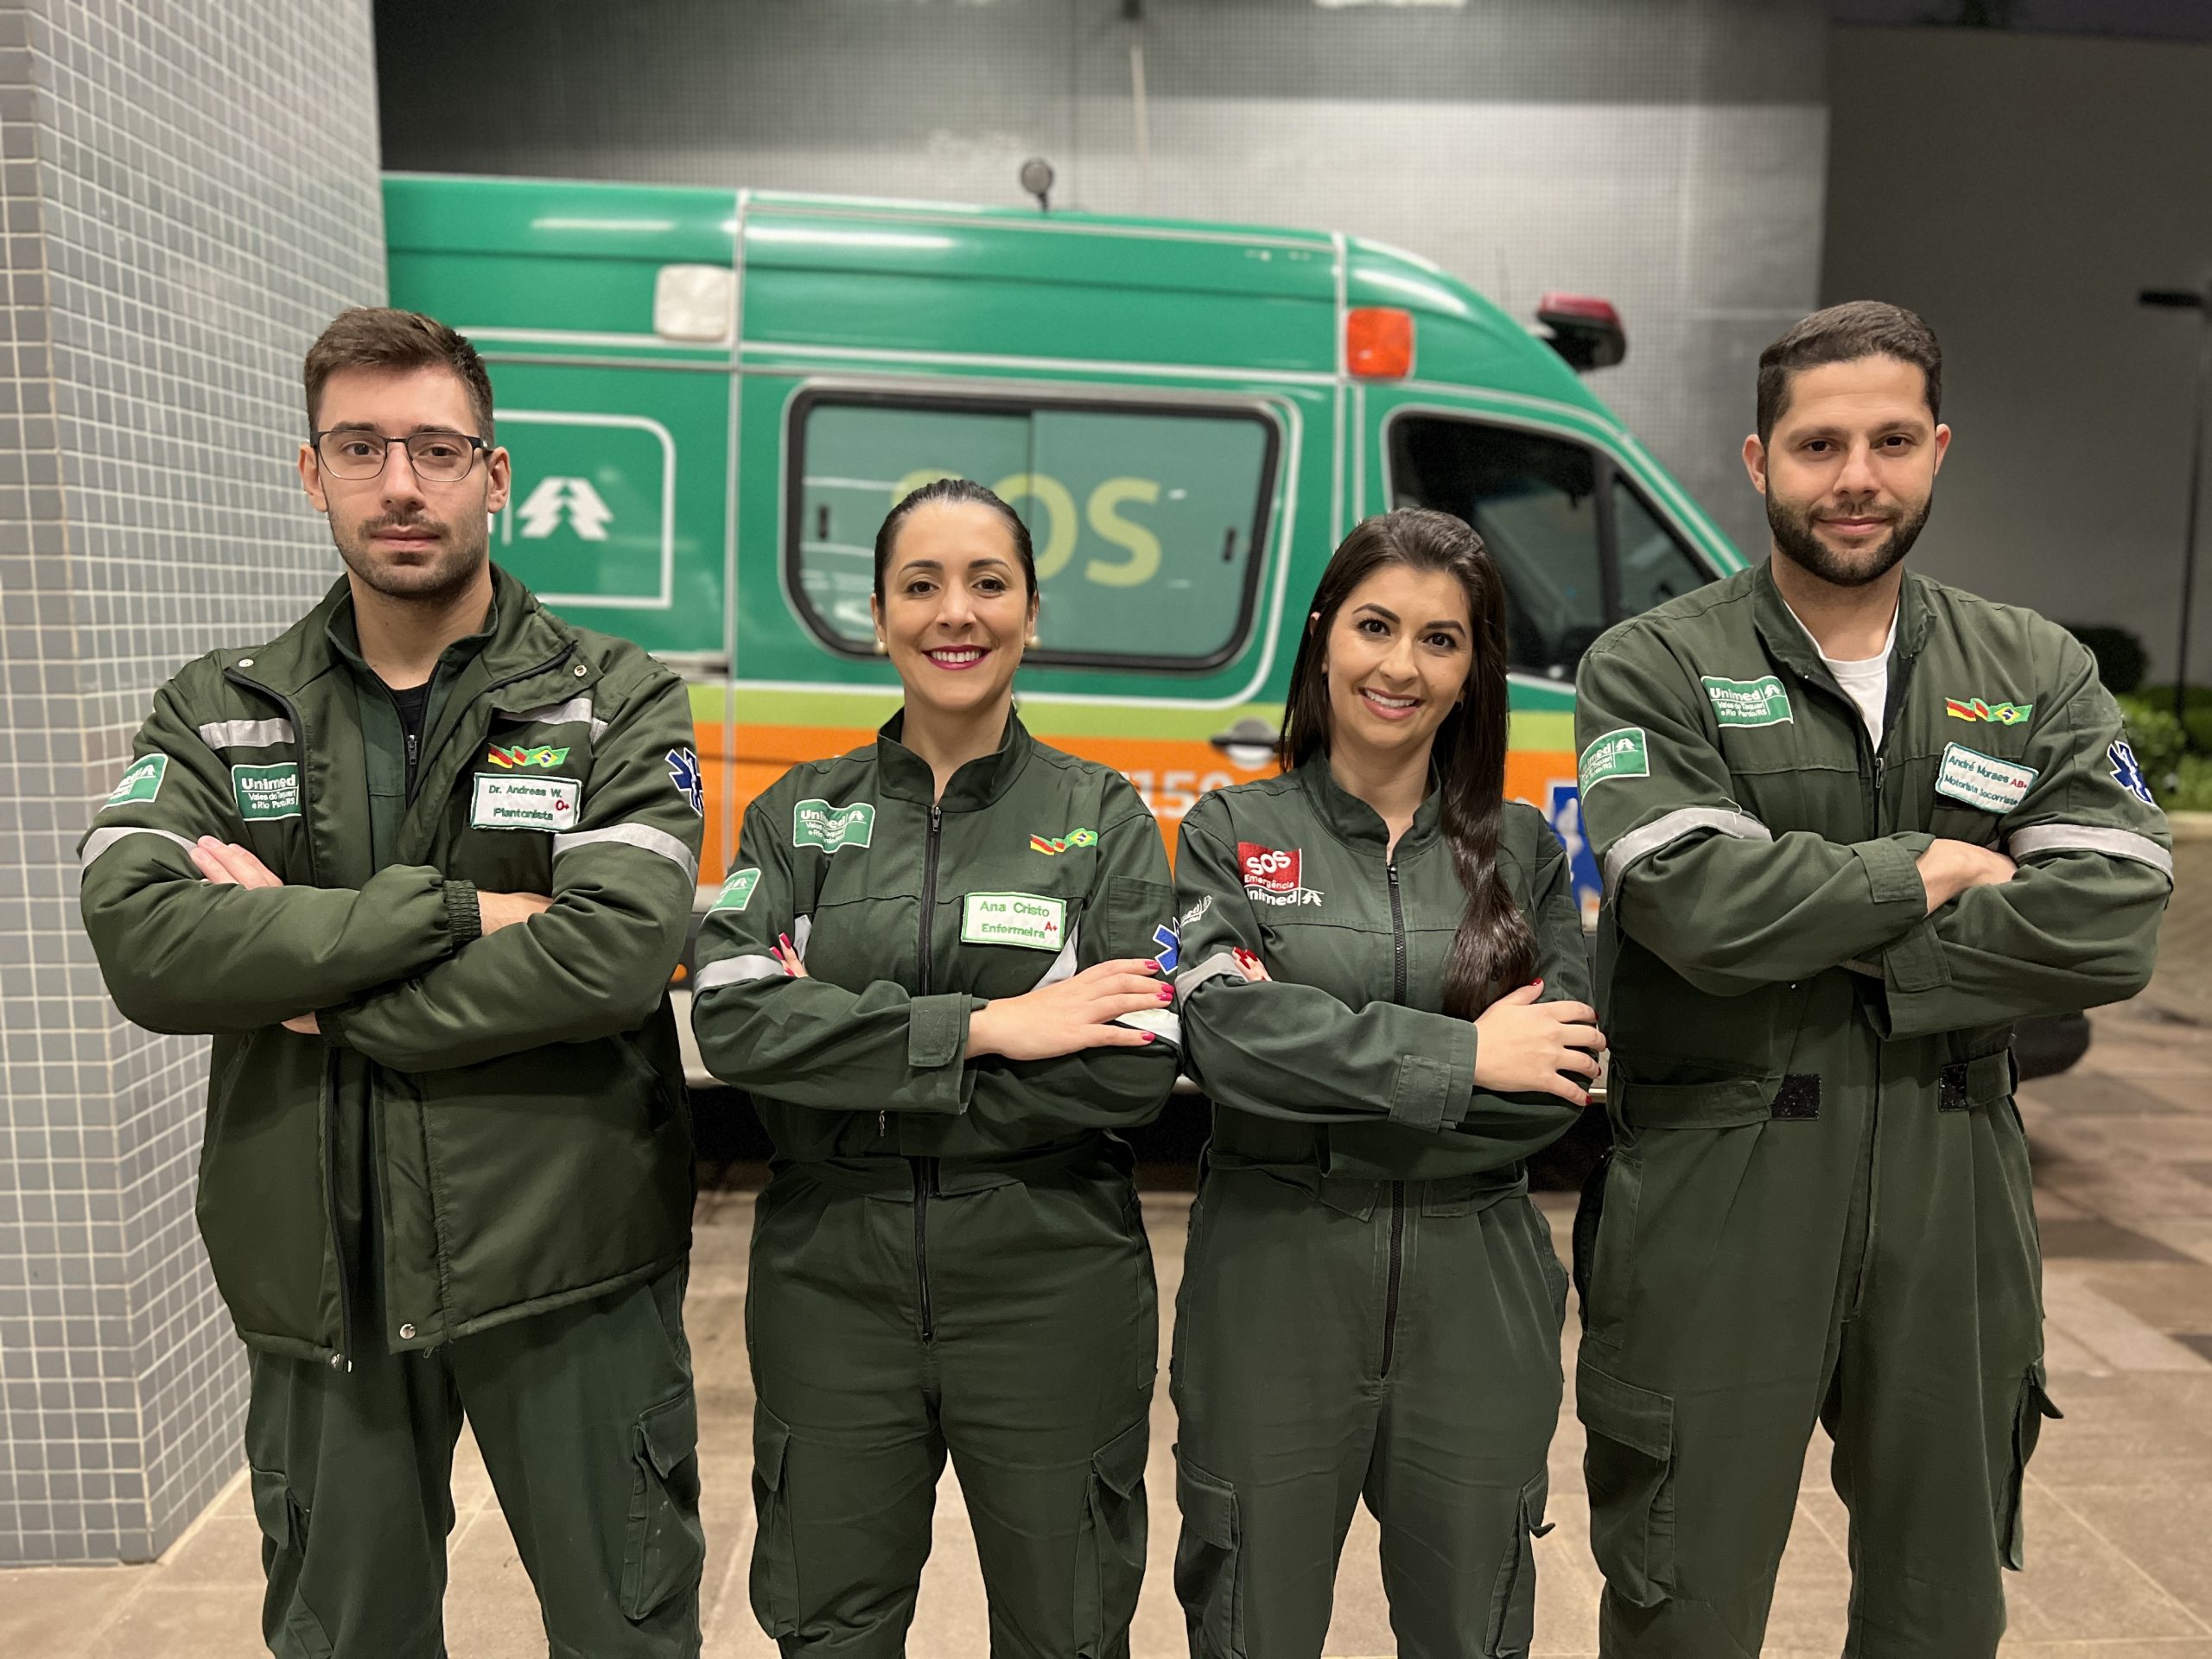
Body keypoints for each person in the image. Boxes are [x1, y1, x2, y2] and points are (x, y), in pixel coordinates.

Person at [76, 308, 706, 1657]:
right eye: (360, 447)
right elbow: (143, 941)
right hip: (323, 1281)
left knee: (626, 1634)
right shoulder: (217, 707)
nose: (401, 483)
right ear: (313, 474)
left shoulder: (615, 698)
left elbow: (609, 952)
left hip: (568, 1266)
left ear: (497, 472)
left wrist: (300, 977)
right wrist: (460, 911)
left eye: (435, 446)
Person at [1572, 301, 2172, 1657]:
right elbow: (1692, 907)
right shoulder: (1656, 666)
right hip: (1719, 1187)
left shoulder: (2034, 669)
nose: (1858, 476)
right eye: (1821, 442)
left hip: (1954, 1183)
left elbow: (2117, 923)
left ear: (1939, 449)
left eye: (1892, 439)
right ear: (1757, 459)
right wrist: (1933, 870)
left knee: (1942, 1600)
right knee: (1685, 1596)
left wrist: (1836, 933)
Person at [690, 477, 1182, 1658]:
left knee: (1067, 1625)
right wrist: (990, 1029)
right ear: (877, 616)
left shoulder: (1101, 816)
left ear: (1031, 612)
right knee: (829, 1624)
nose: (953, 613)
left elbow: (1134, 1068)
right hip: (831, 1280)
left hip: (1049, 1275)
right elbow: (736, 1024)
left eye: (987, 583)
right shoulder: (797, 815)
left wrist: (848, 1045)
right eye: (921, 585)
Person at [1168, 507, 1605, 1659]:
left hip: (1481, 1290)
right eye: (1375, 626)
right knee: (1250, 1621)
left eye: (1441, 639)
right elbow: (1224, 1039)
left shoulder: (1526, 853)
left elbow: (1553, 1083)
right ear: (1323, 639)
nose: (1400, 666)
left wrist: (1329, 1065)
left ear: (1474, 672)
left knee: (1475, 1630)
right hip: (1271, 1280)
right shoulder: (1229, 831)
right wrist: (1465, 1053)